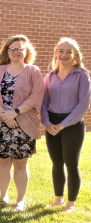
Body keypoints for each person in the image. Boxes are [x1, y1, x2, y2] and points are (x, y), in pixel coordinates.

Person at [0, 35, 44, 212]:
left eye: (20, 49)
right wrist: (4, 115)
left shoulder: (33, 71)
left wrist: (15, 112)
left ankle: (20, 200)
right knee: (4, 161)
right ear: (7, 51)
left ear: (26, 52)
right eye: (12, 49)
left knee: (21, 163)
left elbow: (36, 95)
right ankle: (3, 196)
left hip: (24, 124)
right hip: (1, 122)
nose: (16, 52)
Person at [41, 38, 90, 212]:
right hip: (51, 123)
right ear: (56, 53)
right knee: (56, 163)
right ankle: (58, 199)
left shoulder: (82, 75)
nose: (64, 55)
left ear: (75, 54)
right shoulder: (49, 76)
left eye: (69, 51)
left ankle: (71, 203)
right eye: (61, 51)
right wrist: (47, 124)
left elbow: (84, 104)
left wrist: (62, 125)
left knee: (71, 163)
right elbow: (44, 102)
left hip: (72, 124)